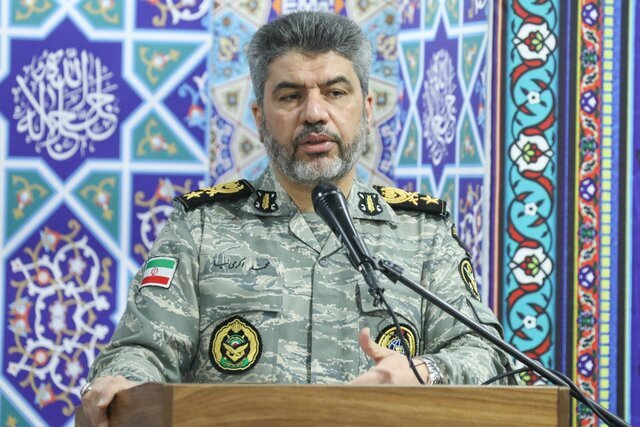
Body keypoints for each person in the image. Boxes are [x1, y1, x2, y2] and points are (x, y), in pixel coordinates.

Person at [81, 11, 514, 426]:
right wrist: (123, 381)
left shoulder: (422, 233)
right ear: (259, 117)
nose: (314, 113)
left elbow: (490, 360)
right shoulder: (201, 228)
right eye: (291, 96)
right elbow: (140, 353)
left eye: (335, 93)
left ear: (366, 108)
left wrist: (425, 373)